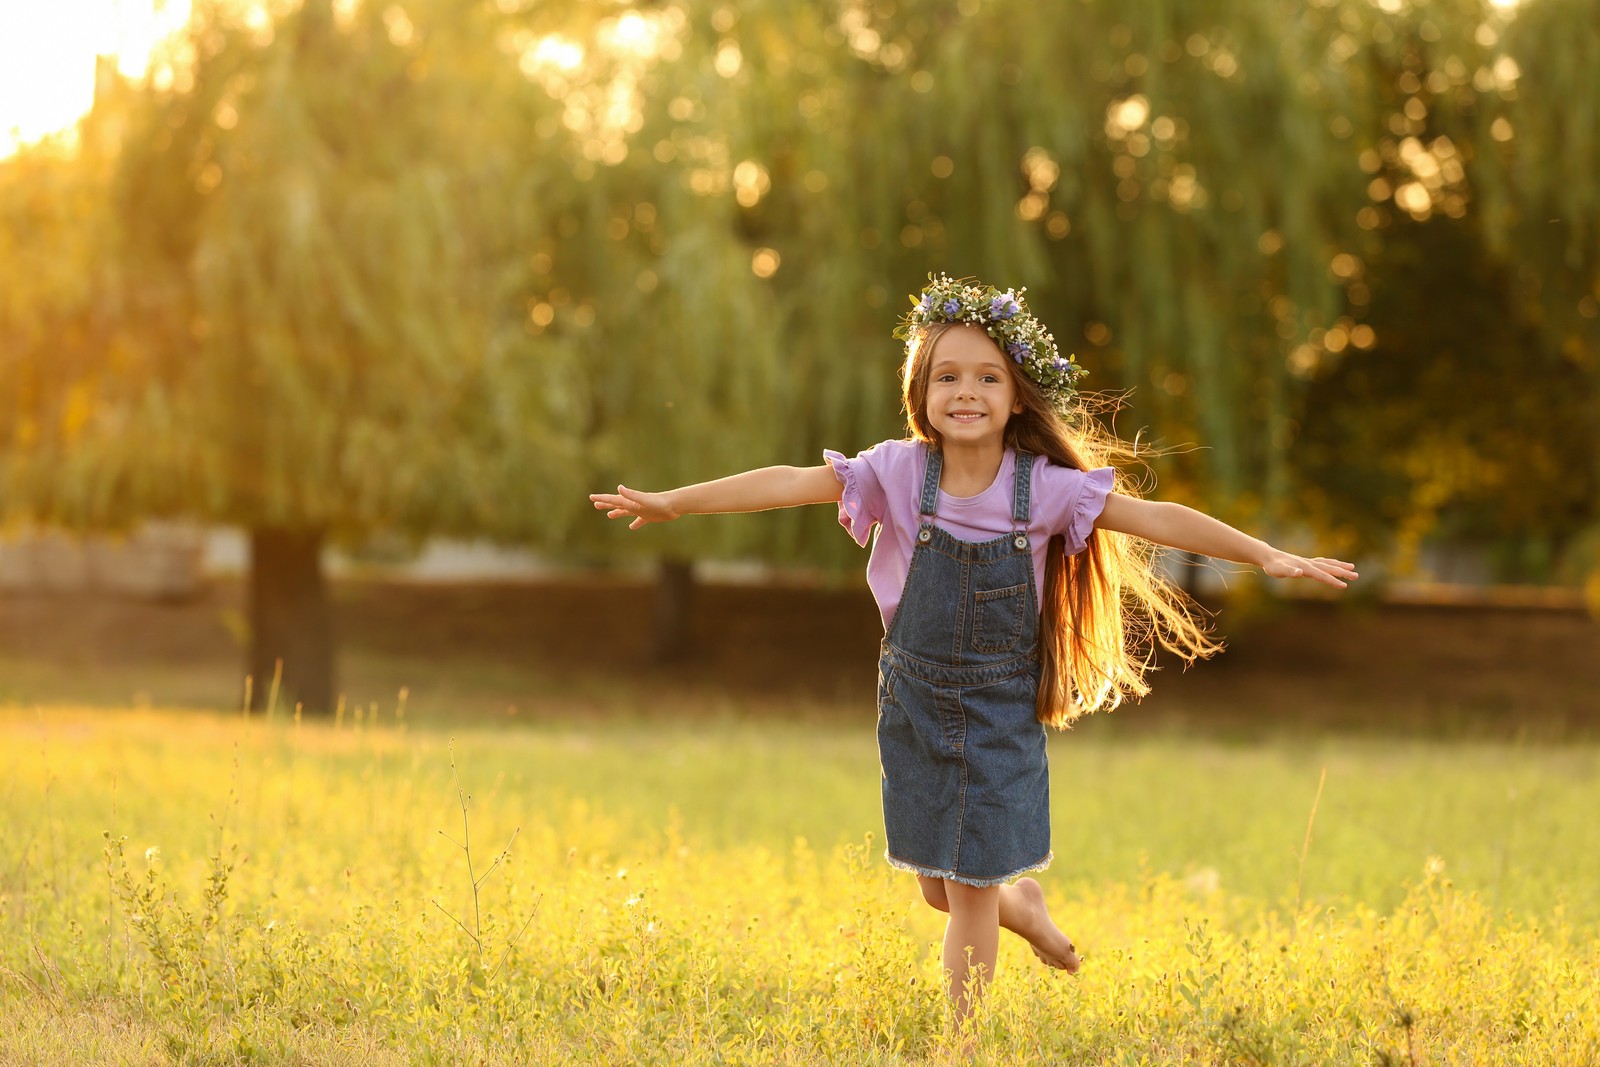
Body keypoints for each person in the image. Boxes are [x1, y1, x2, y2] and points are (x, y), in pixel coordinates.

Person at [589, 273, 1357, 1032]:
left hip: (998, 709)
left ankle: (964, 1040)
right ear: (919, 393)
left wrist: (1268, 555)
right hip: (914, 703)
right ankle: (1023, 903)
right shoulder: (897, 471)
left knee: (967, 895)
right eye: (947, 375)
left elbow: (1156, 517)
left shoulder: (1045, 487)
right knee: (937, 886)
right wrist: (674, 502)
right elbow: (789, 481)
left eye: (987, 376)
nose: (967, 391)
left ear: (1017, 395)